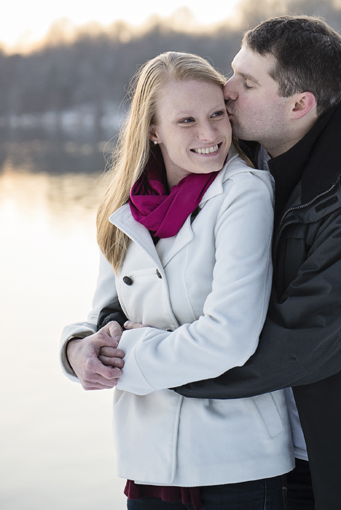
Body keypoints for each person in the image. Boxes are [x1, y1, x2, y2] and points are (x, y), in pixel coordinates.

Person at [173, 16, 341, 510]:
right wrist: (105, 329)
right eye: (234, 72)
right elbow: (156, 256)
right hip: (256, 457)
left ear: (299, 105)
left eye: (247, 82)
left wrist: (160, 370)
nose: (225, 90)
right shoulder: (231, 164)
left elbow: (307, 341)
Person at [60, 51, 295, 510]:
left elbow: (230, 337)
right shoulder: (125, 208)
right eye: (186, 120)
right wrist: (77, 352)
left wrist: (125, 352)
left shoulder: (242, 193)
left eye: (216, 116)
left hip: (237, 466)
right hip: (146, 461)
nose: (209, 135)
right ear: (153, 130)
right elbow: (105, 317)